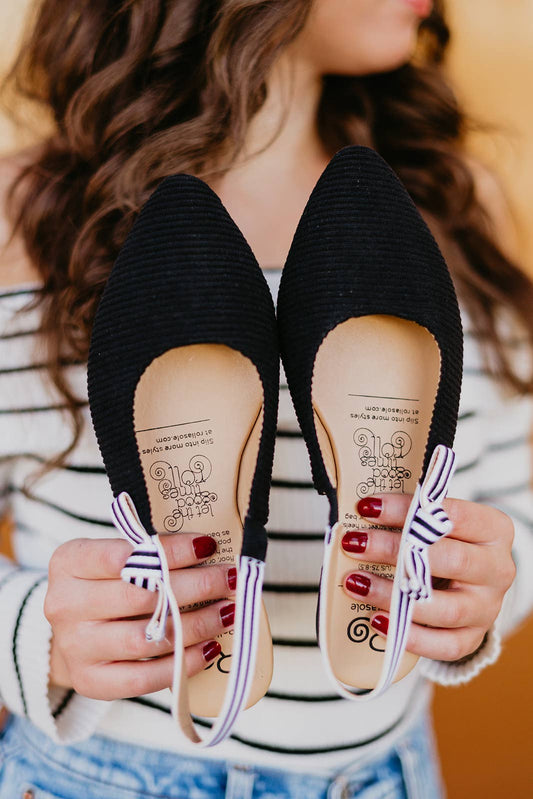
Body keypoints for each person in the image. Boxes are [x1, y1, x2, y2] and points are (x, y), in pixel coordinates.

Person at [1, 1, 532, 797]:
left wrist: (478, 587)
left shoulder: (451, 207)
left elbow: (517, 498)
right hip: (98, 775)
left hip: (381, 776)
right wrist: (36, 633)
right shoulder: (18, 220)